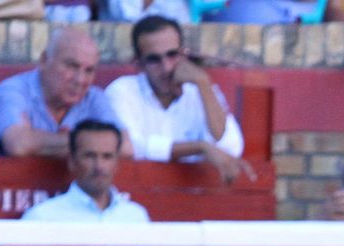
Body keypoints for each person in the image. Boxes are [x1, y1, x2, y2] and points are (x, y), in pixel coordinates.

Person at [106, 16, 255, 184]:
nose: (166, 67)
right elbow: (131, 146)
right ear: (138, 63)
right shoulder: (121, 91)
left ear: (183, 54)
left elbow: (230, 146)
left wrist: (203, 84)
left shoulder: (201, 88)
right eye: (154, 59)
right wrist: (201, 147)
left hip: (196, 199)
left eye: (172, 55)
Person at [0, 28, 127, 158]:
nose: (80, 79)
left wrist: (41, 143)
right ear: (45, 60)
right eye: (72, 66)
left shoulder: (93, 97)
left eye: (89, 70)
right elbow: (18, 144)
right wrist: (93, 144)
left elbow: (126, 146)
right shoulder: (13, 90)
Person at [20, 120, 151, 223]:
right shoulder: (42, 218)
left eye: (107, 156)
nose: (99, 166)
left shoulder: (136, 217)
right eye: (89, 156)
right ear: (71, 161)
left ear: (116, 162)